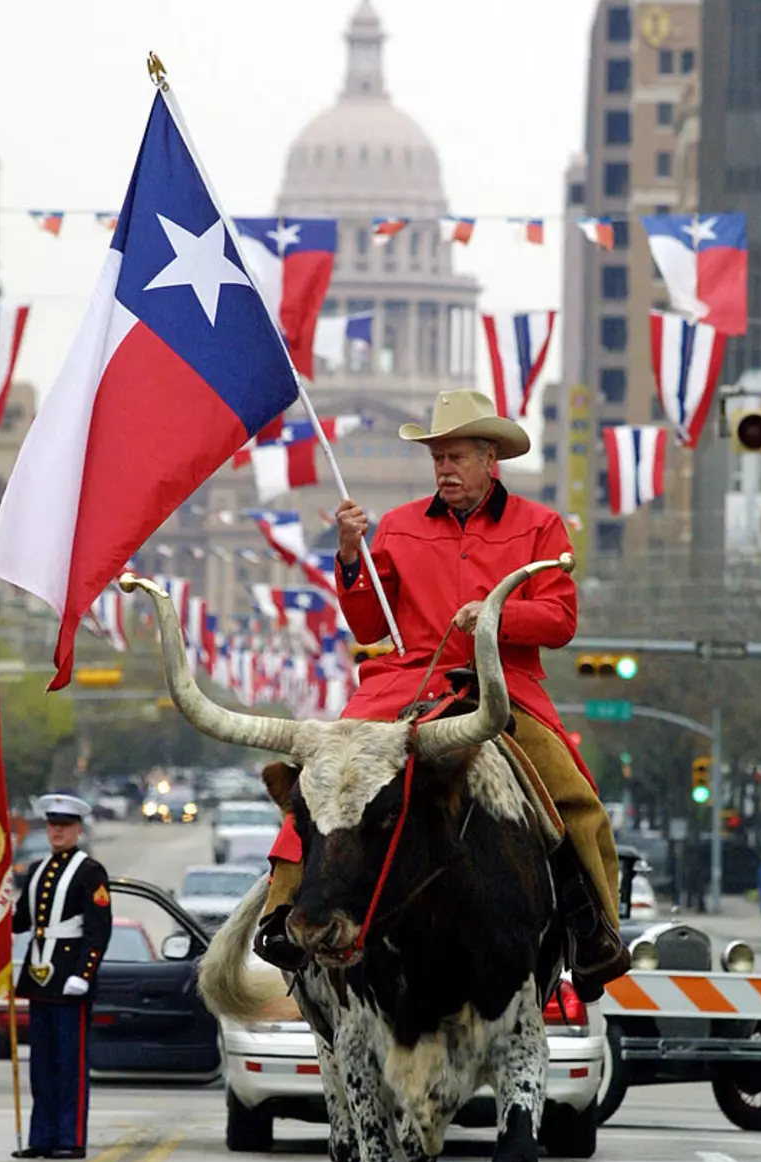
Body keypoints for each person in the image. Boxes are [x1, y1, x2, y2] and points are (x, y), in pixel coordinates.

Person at [258, 389, 629, 1000]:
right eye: (437, 458)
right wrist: (350, 555)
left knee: (572, 794)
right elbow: (370, 626)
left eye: (456, 456)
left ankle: (594, 931)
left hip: (501, 688)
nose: (444, 469)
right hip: (408, 683)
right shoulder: (399, 525)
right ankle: (283, 906)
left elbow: (560, 620)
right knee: (328, 775)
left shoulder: (541, 525)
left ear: (491, 459)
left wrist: (493, 617)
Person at [11, 795, 112, 1160]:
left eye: (64, 826)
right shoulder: (37, 868)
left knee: (70, 1064)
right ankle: (42, 1137)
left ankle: (70, 1138)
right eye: (52, 825)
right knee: (41, 1065)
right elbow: (21, 921)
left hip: (70, 978)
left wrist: (84, 974)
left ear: (77, 830)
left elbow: (98, 929)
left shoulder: (90, 872)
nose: (57, 831)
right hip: (40, 979)